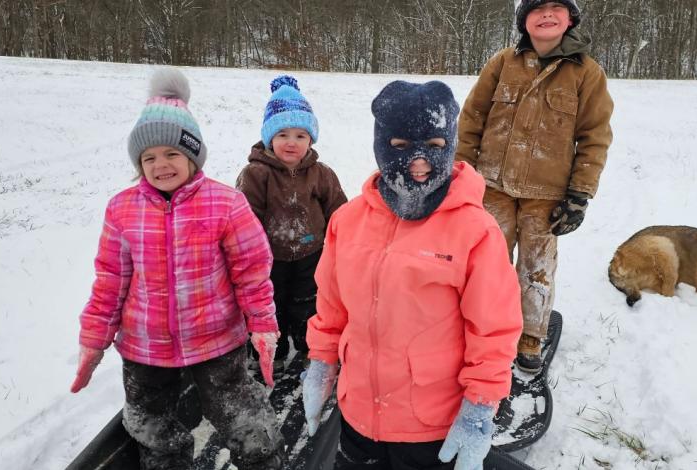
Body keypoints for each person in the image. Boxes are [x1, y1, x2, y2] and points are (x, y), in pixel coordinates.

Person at [301, 80, 523, 470]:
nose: (418, 162)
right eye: (401, 147)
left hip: (429, 424)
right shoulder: (348, 221)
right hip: (358, 412)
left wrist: (479, 409)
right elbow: (331, 305)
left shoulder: (476, 231)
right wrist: (322, 361)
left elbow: (493, 329)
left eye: (434, 147)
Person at [69, 68, 283, 470]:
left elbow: (251, 272)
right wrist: (95, 339)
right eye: (148, 157)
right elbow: (110, 281)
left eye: (172, 154)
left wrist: (263, 325)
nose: (160, 164)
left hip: (216, 340)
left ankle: (261, 460)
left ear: (192, 155)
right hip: (144, 345)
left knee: (244, 416)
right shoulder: (122, 209)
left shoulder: (226, 204)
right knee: (151, 425)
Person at [456, 0, 613, 372]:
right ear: (523, 20)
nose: (547, 15)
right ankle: (481, 326)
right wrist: (461, 173)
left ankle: (530, 334)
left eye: (557, 8)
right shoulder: (502, 62)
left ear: (570, 19)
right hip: (491, 185)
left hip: (546, 195)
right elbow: (472, 118)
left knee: (536, 267)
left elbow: (595, 137)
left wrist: (579, 195)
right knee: (485, 263)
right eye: (537, 8)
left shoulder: (587, 73)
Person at [237, 75, 347, 368]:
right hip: (268, 259)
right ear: (269, 136)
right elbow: (244, 220)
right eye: (283, 134)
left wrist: (343, 242)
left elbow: (338, 210)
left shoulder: (321, 173)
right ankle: (273, 347)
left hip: (312, 254)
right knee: (272, 304)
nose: (291, 143)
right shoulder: (256, 175)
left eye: (300, 135)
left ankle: (305, 342)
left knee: (307, 301)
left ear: (310, 138)